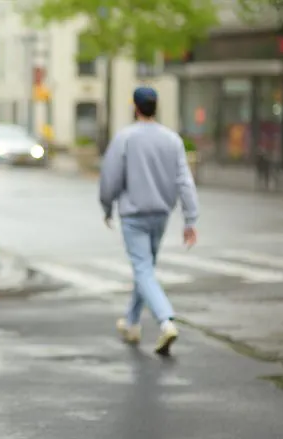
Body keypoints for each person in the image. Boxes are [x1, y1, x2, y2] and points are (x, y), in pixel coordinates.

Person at [99, 86, 200, 356]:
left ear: (136, 107)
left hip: (133, 216)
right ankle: (131, 323)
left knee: (143, 270)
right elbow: (184, 181)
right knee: (145, 270)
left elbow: (110, 178)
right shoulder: (172, 140)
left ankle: (166, 321)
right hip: (161, 215)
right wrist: (190, 219)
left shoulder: (126, 138)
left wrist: (107, 207)